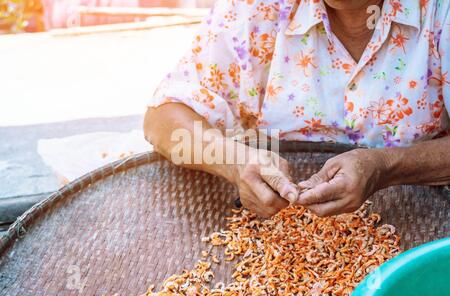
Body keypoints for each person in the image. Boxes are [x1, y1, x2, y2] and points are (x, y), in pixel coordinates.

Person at [144, 0, 450, 218]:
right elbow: (163, 118)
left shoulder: (439, 12)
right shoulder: (258, 9)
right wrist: (235, 162)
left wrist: (384, 166)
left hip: (423, 222)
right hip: (277, 224)